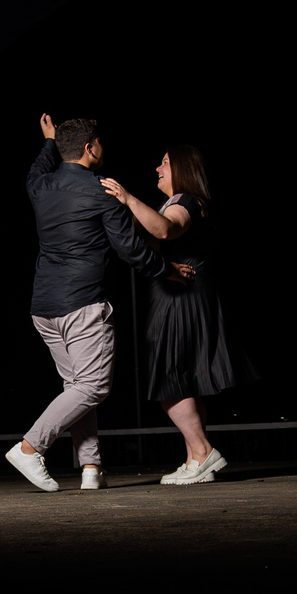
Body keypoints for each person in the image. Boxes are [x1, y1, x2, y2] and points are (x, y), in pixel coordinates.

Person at [7, 115, 193, 492]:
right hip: (82, 304)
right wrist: (168, 271)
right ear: (90, 148)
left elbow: (40, 165)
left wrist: (50, 141)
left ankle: (91, 468)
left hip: (43, 307)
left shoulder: (39, 185)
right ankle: (29, 447)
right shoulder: (101, 190)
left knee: (76, 387)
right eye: (100, 143)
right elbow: (131, 251)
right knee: (92, 387)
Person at [101, 146, 257, 484]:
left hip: (180, 294)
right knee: (185, 378)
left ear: (183, 169)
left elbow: (165, 230)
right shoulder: (183, 201)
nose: (157, 168)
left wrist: (128, 199)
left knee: (169, 377)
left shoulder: (185, 200)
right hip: (186, 293)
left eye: (165, 163)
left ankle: (203, 452)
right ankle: (194, 460)